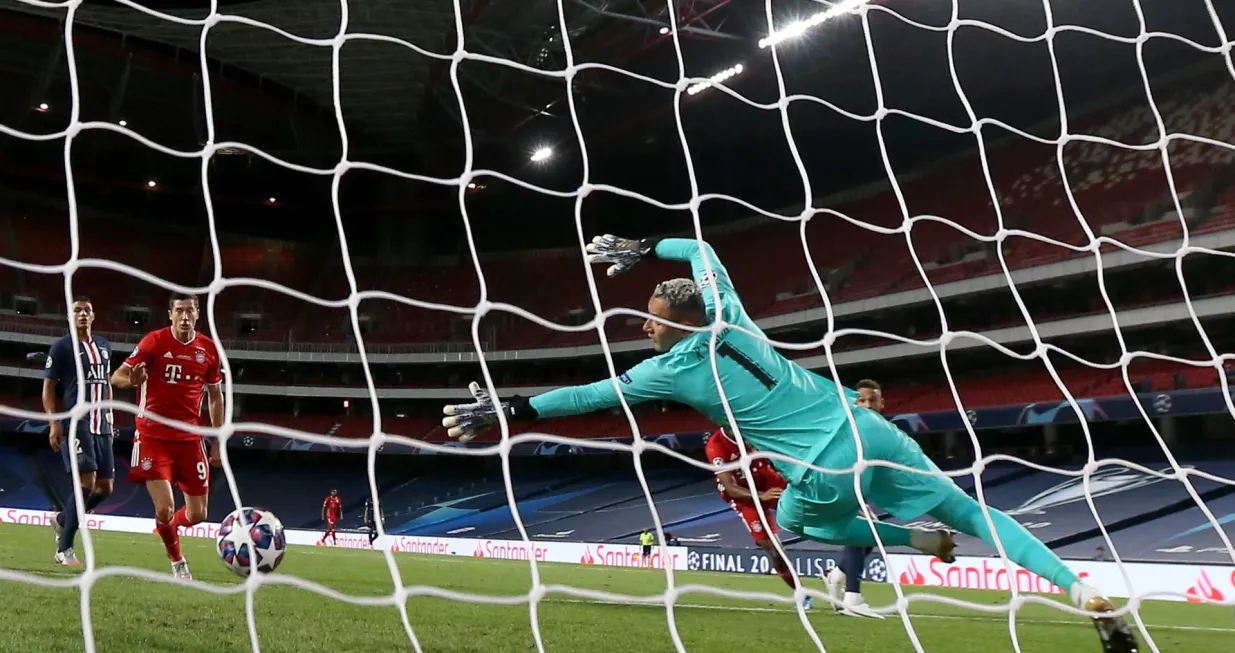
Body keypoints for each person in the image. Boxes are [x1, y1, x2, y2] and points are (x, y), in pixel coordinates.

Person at [441, 234, 1138, 652]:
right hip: (869, 428)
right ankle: (1080, 590)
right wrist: (641, 246)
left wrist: (510, 406)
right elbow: (700, 248)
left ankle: (910, 544)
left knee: (796, 521)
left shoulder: (668, 366)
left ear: (681, 322)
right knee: (971, 511)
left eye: (653, 320)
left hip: (821, 464)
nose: (644, 327)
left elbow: (590, 396)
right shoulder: (729, 310)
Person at [111, 293, 223, 580]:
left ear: (198, 315)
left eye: (190, 311)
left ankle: (167, 527)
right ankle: (177, 560)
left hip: (190, 439)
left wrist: (218, 440)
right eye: (180, 311)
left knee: (198, 515)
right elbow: (117, 377)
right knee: (165, 507)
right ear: (170, 315)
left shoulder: (208, 349)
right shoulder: (154, 341)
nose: (185, 316)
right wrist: (132, 380)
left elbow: (215, 397)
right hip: (152, 436)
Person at [706, 426, 817, 610]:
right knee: (775, 552)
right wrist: (761, 496)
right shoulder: (716, 446)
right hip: (744, 497)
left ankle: (854, 513)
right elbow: (730, 488)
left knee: (807, 497)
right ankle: (801, 592)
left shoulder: (753, 427)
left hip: (765, 477)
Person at [43, 297, 115, 565]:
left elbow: (106, 382)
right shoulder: (61, 347)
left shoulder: (105, 346)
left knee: (105, 488)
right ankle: (65, 548)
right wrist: (54, 423)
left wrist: (110, 415)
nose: (82, 314)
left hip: (102, 423)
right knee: (86, 482)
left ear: (94, 315)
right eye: (77, 311)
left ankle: (62, 519)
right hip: (77, 421)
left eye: (87, 310)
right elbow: (48, 388)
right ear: (69, 317)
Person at [824, 379, 887, 617]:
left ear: (883, 403)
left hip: (856, 488)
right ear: (853, 403)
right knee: (859, 528)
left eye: (873, 400)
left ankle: (837, 574)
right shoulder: (845, 428)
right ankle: (853, 597)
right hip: (831, 483)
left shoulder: (883, 431)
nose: (868, 405)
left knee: (871, 532)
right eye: (862, 400)